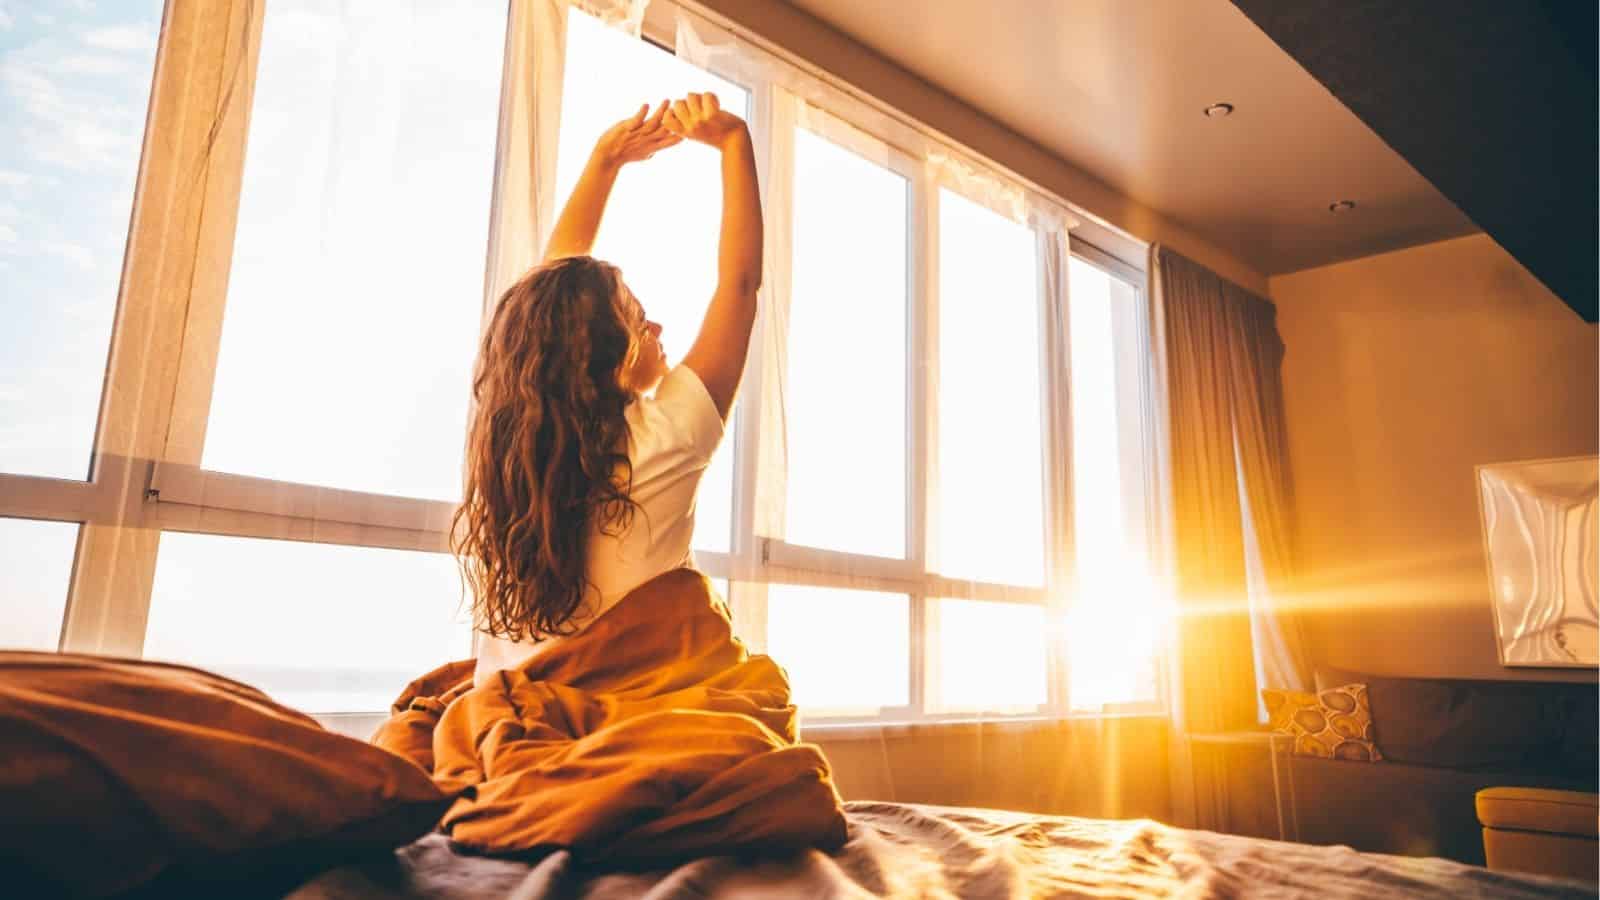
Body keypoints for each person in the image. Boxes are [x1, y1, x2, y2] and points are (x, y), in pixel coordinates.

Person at [454, 94, 762, 686]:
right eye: (640, 318)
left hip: (515, 694)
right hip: (630, 706)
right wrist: (734, 143)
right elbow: (740, 286)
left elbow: (552, 305)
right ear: (605, 355)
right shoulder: (667, 434)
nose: (658, 329)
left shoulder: (517, 452)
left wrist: (604, 162)